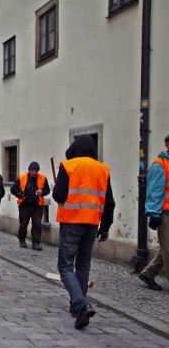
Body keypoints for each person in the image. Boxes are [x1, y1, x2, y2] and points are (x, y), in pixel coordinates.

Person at [53, 134, 115, 329]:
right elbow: (109, 203)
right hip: (92, 223)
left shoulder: (68, 166)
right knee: (83, 264)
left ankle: (80, 304)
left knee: (65, 267)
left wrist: (58, 185)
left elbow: (58, 195)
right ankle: (76, 306)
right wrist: (105, 228)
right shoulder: (103, 169)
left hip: (72, 221)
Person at [137, 134, 169, 291]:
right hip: (165, 213)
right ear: (167, 144)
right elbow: (154, 192)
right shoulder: (160, 165)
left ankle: (148, 274)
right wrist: (154, 214)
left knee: (166, 248)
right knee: (168, 249)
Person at [9, 161, 51, 251]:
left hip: (37, 205)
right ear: (29, 170)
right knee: (23, 223)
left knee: (37, 224)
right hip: (24, 205)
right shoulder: (22, 177)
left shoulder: (43, 178)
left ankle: (36, 243)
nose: (34, 172)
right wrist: (22, 196)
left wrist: (42, 192)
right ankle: (22, 239)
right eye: (32, 170)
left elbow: (47, 189)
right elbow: (13, 189)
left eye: (36, 170)